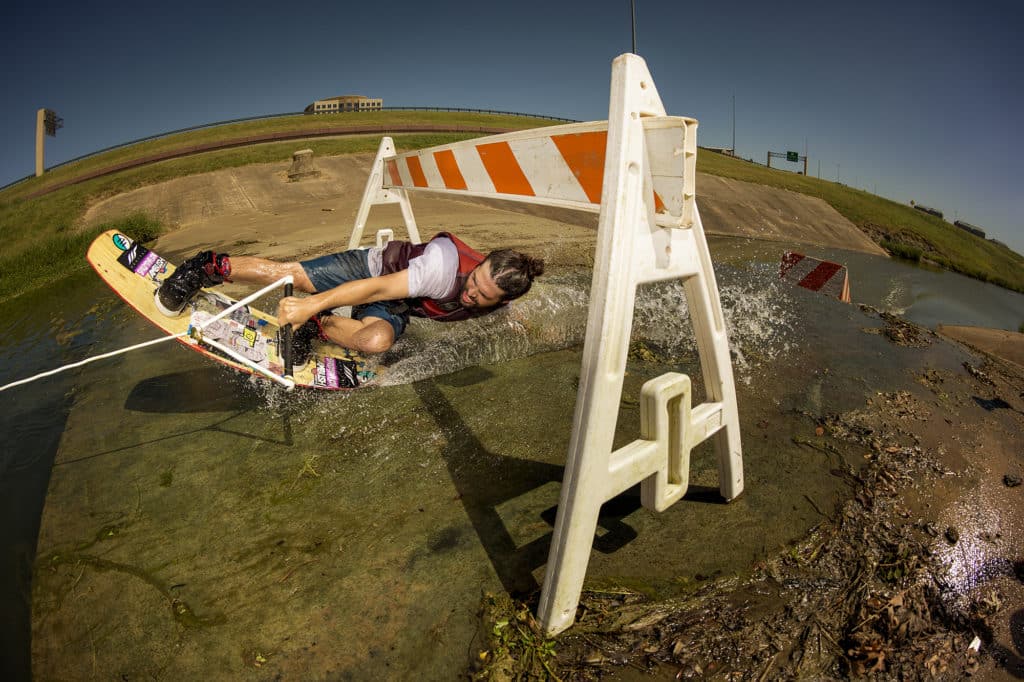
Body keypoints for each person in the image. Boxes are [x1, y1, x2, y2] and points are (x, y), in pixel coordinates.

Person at [154, 232, 545, 359]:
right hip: (375, 271)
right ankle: (205, 268)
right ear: (479, 264)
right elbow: (374, 286)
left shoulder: (499, 295)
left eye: (483, 298)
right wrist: (311, 300)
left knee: (376, 343)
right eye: (474, 282)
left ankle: (319, 329)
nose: (472, 295)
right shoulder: (443, 269)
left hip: (395, 303)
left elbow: (501, 310)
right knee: (292, 276)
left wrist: (523, 328)